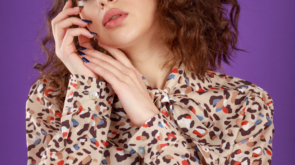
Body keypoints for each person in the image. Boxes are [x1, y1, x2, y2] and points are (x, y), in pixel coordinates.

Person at [25, 0, 275, 164]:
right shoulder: (53, 97)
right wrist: (88, 91)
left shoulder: (245, 104)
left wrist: (150, 119)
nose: (102, 1)